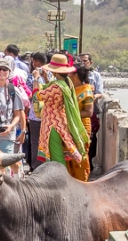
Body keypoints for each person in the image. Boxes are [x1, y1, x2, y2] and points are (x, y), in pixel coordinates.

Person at [33, 53, 90, 181]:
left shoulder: (56, 87)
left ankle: (61, 182)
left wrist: (36, 80)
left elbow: (37, 96)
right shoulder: (66, 83)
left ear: (53, 71)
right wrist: (46, 80)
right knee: (57, 155)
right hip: (60, 121)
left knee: (56, 157)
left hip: (52, 124)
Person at [25, 51, 48, 172]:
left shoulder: (32, 77)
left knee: (36, 143)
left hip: (36, 116)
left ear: (36, 62)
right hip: (50, 115)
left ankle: (37, 169)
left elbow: (32, 95)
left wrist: (35, 79)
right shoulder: (52, 75)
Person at [80, 53, 103, 169]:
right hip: (80, 109)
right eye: (81, 61)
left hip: (91, 109)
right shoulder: (75, 75)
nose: (83, 63)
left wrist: (92, 96)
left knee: (92, 137)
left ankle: (90, 160)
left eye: (85, 61)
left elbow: (100, 92)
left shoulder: (95, 75)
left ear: (90, 62)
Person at [70, 60, 95, 142]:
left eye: (69, 73)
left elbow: (89, 112)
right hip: (71, 127)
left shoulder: (86, 91)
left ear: (75, 75)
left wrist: (70, 114)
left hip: (81, 128)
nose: (67, 75)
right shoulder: (71, 88)